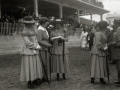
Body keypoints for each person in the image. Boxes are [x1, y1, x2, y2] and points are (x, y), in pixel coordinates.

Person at [20, 16, 43, 89]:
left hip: (35, 50)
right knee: (29, 65)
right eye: (28, 24)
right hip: (28, 50)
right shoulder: (24, 31)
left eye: (31, 23)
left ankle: (35, 78)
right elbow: (28, 42)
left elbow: (35, 40)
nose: (30, 25)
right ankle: (29, 81)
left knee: (35, 64)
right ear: (25, 24)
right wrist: (36, 47)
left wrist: (37, 45)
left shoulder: (32, 30)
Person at [36, 17, 52, 82]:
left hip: (46, 48)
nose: (47, 24)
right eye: (46, 22)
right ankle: (42, 76)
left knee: (46, 62)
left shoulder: (44, 29)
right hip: (43, 48)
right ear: (42, 23)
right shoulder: (39, 30)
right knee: (43, 62)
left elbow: (46, 38)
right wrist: (47, 45)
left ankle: (45, 76)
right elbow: (39, 40)